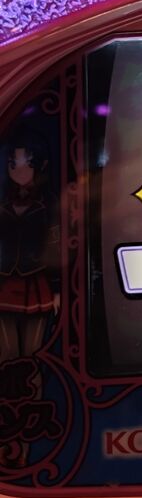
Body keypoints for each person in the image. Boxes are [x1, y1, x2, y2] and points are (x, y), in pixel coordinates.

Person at [0, 126, 58, 365]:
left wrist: (58, 288)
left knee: (34, 352)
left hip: (36, 279)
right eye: (13, 164)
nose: (19, 171)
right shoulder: (3, 203)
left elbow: (56, 247)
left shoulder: (49, 204)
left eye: (27, 164)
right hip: (5, 279)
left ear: (41, 165)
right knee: (7, 352)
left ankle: (32, 385)